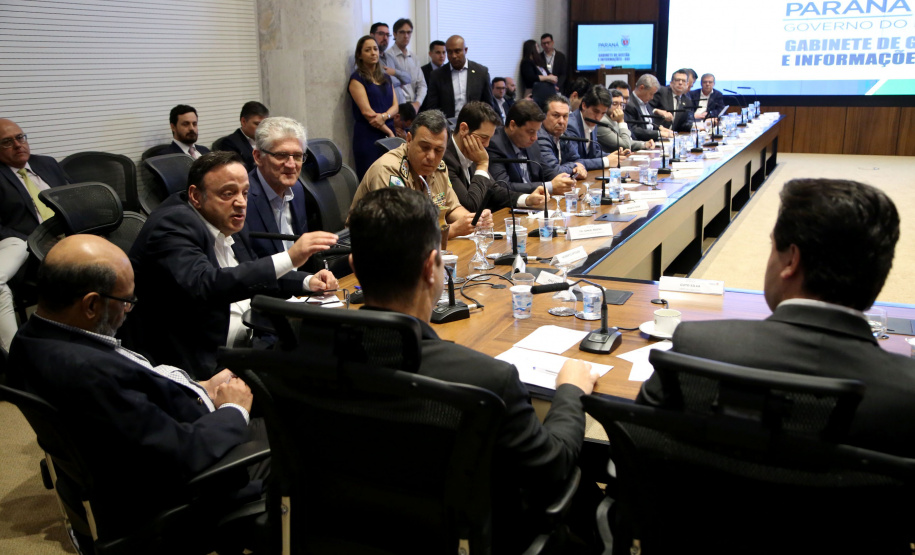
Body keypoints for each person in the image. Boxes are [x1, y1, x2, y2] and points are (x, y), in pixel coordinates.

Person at [348, 186, 599, 551]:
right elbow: (552, 466)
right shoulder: (486, 381)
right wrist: (570, 392)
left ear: (354, 267)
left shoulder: (301, 355)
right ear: (431, 268)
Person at [637, 178, 915, 458]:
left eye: (772, 245)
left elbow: (637, 443)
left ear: (791, 261)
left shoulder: (696, 348)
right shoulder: (907, 391)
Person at [8, 234, 260, 538]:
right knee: (296, 441)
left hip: (137, 455)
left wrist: (200, 388)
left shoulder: (28, 340)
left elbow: (130, 405)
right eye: (126, 300)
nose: (129, 309)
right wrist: (233, 410)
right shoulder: (91, 373)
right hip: (184, 489)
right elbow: (180, 454)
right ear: (91, 304)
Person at [127, 151, 338, 379]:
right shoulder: (172, 225)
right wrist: (290, 258)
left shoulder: (227, 218)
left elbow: (250, 272)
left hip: (252, 340)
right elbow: (205, 284)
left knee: (328, 351)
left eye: (245, 192)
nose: (241, 202)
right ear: (196, 196)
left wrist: (307, 281)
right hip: (204, 365)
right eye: (228, 193)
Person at [352, 109, 491, 239]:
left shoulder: (439, 167)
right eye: (425, 147)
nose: (431, 157)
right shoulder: (388, 170)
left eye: (438, 150)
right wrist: (452, 230)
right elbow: (399, 233)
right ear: (409, 140)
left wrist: (474, 221)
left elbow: (452, 208)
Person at [0, 118, 69, 351]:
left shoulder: (47, 163)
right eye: (7, 142)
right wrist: (36, 240)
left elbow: (77, 195)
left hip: (71, 235)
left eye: (20, 137)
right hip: (32, 250)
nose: (18, 145)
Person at [443, 101, 546, 212]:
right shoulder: (445, 158)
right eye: (483, 137)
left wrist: (527, 199)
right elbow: (470, 206)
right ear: (463, 129)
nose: (487, 145)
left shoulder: (472, 151)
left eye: (489, 138)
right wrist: (482, 165)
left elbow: (494, 190)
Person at [244, 117, 312, 259]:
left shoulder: (297, 189)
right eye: (281, 155)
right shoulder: (243, 200)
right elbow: (248, 265)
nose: (291, 165)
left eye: (297, 156)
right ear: (258, 157)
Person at [486, 100, 576, 196]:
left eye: (537, 131)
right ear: (513, 125)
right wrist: (548, 186)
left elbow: (546, 171)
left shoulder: (531, 142)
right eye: (531, 131)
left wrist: (563, 180)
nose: (535, 137)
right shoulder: (494, 144)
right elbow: (503, 187)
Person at [348, 35, 398, 180]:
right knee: (372, 179)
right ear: (360, 55)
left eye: (375, 49)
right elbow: (367, 113)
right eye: (368, 50)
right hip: (369, 136)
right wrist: (389, 132)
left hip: (389, 131)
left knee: (391, 178)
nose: (373, 53)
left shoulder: (386, 78)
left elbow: (395, 106)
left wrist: (384, 117)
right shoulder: (357, 79)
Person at [422, 35, 494, 118]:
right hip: (447, 123)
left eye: (457, 51)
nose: (454, 56)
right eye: (449, 52)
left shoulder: (481, 72)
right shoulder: (437, 75)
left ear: (465, 50)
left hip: (474, 122)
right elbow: (432, 108)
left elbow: (488, 106)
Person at [347, 23, 411, 105]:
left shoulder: (390, 57)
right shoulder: (370, 61)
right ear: (372, 35)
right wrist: (399, 81)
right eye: (381, 34)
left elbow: (408, 78)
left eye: (387, 35)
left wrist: (394, 72)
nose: (385, 38)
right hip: (384, 106)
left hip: (400, 105)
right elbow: (381, 82)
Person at [565, 85, 624, 171]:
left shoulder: (592, 121)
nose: (598, 118)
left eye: (603, 113)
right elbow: (575, 162)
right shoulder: (570, 125)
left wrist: (613, 156)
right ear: (584, 105)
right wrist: (606, 161)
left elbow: (594, 153)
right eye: (596, 111)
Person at [537, 95, 587, 179]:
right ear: (544, 116)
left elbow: (578, 160)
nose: (561, 121)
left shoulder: (564, 134)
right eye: (556, 115)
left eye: (565, 116)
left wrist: (576, 166)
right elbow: (554, 172)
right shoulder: (540, 136)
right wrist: (574, 167)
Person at [599, 82, 654, 152]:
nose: (619, 108)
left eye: (621, 104)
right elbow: (625, 145)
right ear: (606, 105)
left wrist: (644, 144)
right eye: (615, 104)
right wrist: (621, 121)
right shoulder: (602, 122)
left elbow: (627, 140)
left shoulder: (615, 118)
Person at [215, 101, 269, 172]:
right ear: (243, 122)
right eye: (257, 124)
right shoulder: (230, 143)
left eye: (264, 124)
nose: (262, 128)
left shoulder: (267, 139)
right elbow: (237, 172)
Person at [387, 18, 427, 113]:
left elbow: (422, 85)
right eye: (402, 32)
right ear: (395, 34)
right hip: (396, 107)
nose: (406, 36)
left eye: (409, 32)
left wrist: (417, 103)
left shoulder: (414, 57)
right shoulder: (388, 56)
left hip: (413, 106)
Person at [625, 74, 672, 142]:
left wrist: (660, 128)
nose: (652, 97)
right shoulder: (629, 104)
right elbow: (633, 130)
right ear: (641, 88)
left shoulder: (646, 103)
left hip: (652, 142)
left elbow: (650, 125)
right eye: (651, 94)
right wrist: (658, 133)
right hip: (640, 143)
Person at [649, 69, 695, 134]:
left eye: (683, 81)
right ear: (671, 83)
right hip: (656, 133)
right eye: (677, 80)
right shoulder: (662, 92)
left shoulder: (687, 101)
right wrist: (657, 111)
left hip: (673, 135)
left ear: (687, 84)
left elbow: (684, 124)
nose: (680, 83)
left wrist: (695, 127)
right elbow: (646, 108)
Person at [519, 39, 556, 108]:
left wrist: (552, 80)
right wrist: (548, 78)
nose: (538, 49)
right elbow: (531, 77)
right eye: (537, 47)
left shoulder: (539, 63)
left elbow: (548, 74)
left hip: (546, 96)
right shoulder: (526, 62)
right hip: (533, 95)